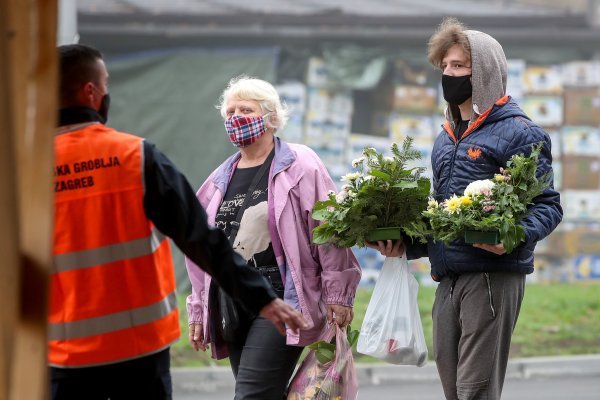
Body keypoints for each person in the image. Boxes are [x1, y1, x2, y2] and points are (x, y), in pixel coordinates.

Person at [51, 44, 307, 400]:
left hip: (59, 351)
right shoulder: (135, 157)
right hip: (138, 347)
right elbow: (200, 237)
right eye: (106, 84)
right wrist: (260, 297)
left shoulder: (22, 168)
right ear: (91, 92)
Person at [368, 18, 562, 400]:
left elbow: (548, 205)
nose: (448, 74)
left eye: (459, 66)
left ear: (485, 73)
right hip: (449, 277)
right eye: (444, 67)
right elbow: (445, 214)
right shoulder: (446, 138)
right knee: (454, 389)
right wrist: (408, 245)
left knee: (475, 389)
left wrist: (513, 237)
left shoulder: (521, 132)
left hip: (491, 275)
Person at [185, 76, 361, 399]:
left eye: (246, 110)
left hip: (280, 300)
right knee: (262, 392)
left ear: (271, 118)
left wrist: (339, 291)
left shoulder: (301, 165)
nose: (235, 117)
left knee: (251, 394)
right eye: (230, 111)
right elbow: (199, 249)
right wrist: (198, 309)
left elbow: (328, 228)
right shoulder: (217, 181)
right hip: (233, 303)